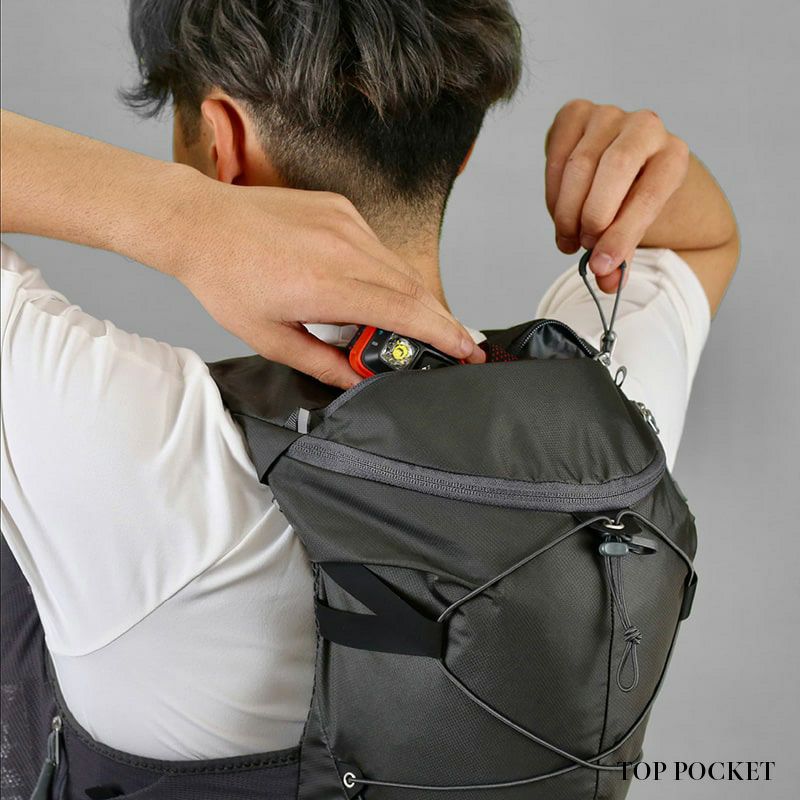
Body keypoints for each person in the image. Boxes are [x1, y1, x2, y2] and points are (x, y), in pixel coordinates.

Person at [0, 0, 738, 761]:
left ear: (223, 141)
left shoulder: (121, 435)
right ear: (464, 149)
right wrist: (629, 161)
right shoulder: (605, 411)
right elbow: (700, 241)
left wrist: (184, 220)